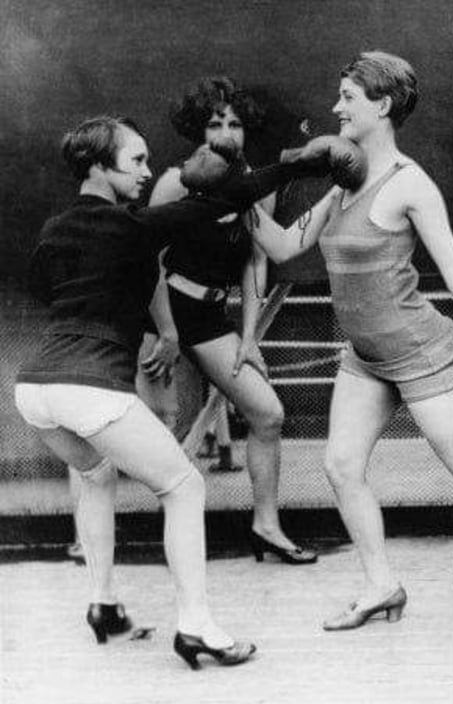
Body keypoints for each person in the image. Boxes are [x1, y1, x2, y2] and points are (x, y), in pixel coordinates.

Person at [248, 51, 453, 654]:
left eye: (347, 96)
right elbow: (282, 245)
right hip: (365, 357)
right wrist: (241, 190)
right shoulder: (342, 183)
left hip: (419, 353)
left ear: (381, 105)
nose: (335, 107)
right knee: (341, 468)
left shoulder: (409, 182)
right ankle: (382, 587)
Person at [14, 115, 323, 667]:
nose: (148, 171)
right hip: (89, 386)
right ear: (97, 167)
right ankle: (197, 628)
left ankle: (104, 604)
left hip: (35, 388)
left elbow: (44, 287)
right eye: (135, 161)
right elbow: (222, 200)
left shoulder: (56, 228)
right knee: (183, 488)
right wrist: (300, 163)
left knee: (95, 473)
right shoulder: (131, 226)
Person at [149, 77, 315, 564]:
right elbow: (147, 261)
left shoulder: (255, 188)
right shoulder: (175, 181)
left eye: (235, 123)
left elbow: (252, 262)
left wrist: (248, 337)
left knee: (268, 414)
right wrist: (165, 333)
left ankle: (266, 527)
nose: (226, 131)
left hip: (208, 318)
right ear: (197, 131)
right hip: (157, 315)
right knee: (161, 426)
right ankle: (128, 539)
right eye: (215, 122)